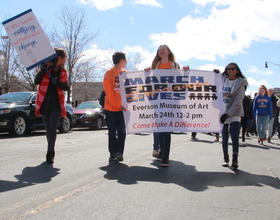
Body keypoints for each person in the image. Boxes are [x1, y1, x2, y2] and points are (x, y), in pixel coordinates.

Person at [145, 44, 189, 167]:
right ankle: (161, 151)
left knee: (166, 128)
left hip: (171, 101)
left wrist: (185, 72)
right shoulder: (155, 67)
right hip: (158, 101)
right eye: (159, 50)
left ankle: (165, 157)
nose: (161, 51)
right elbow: (149, 83)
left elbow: (181, 82)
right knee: (161, 128)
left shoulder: (175, 66)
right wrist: (147, 73)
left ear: (169, 51)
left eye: (163, 49)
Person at [34, 48, 69, 164]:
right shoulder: (45, 69)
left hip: (57, 105)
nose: (65, 60)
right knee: (48, 129)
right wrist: (43, 70)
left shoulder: (63, 72)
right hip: (44, 104)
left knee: (53, 128)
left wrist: (57, 82)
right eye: (65, 57)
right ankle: (50, 148)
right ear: (59, 58)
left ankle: (50, 153)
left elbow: (66, 87)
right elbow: (37, 81)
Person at [218, 63, 247, 170]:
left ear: (237, 71)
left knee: (234, 135)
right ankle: (226, 158)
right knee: (224, 136)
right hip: (222, 111)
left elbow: (238, 101)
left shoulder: (241, 83)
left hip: (234, 112)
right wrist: (215, 74)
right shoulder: (222, 79)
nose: (230, 70)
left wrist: (228, 114)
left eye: (233, 69)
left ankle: (235, 159)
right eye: (228, 68)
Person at [103, 51, 127, 162]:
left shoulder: (125, 73)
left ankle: (119, 153)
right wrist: (118, 105)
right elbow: (109, 92)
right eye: (125, 60)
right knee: (112, 132)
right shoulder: (109, 73)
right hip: (111, 109)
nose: (126, 62)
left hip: (122, 110)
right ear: (121, 60)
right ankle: (112, 153)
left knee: (122, 132)